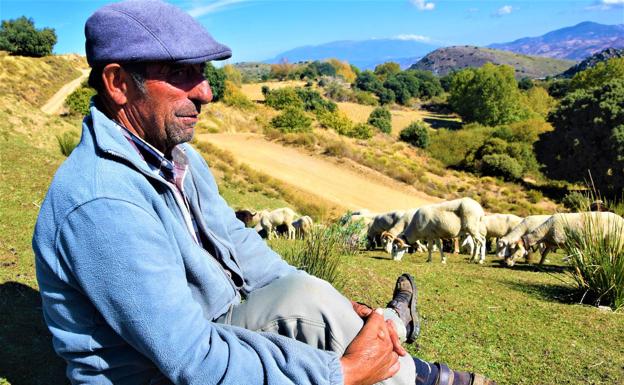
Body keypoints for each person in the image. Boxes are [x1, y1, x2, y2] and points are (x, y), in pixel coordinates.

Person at [32, 1, 496, 384]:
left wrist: (332, 300)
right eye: (181, 73)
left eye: (203, 71)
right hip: (155, 373)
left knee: (308, 293)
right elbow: (194, 361)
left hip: (214, 321)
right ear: (117, 83)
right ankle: (422, 370)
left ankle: (409, 358)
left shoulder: (175, 159)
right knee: (334, 342)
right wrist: (342, 373)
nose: (206, 93)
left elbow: (239, 243)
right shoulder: (103, 204)